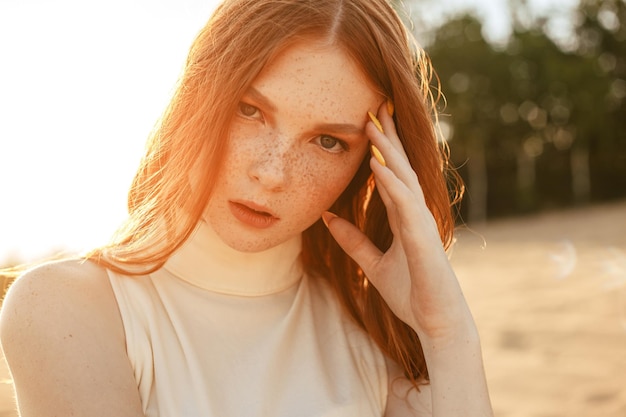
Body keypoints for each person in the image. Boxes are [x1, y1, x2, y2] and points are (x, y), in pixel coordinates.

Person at [0, 0, 493, 415]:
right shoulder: (66, 308)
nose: (273, 173)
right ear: (197, 97)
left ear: (371, 164)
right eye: (249, 110)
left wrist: (447, 336)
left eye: (327, 141)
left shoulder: (372, 334)